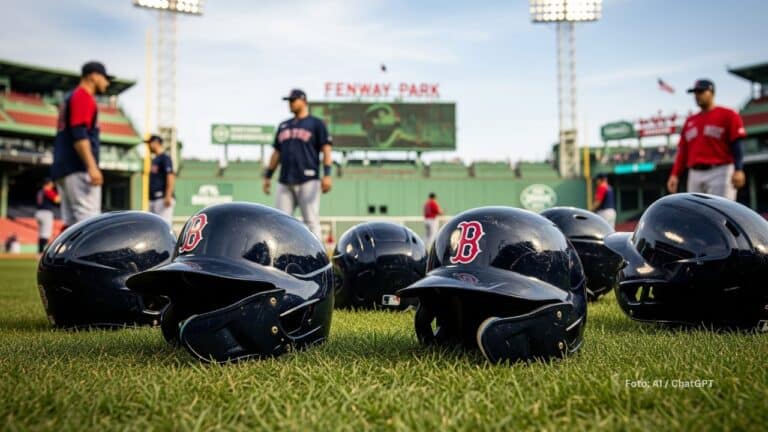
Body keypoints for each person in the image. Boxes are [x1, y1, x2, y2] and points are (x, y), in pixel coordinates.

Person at [263, 89, 332, 239]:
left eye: (293, 100)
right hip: (284, 180)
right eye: (289, 100)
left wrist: (327, 175)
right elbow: (277, 153)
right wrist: (268, 176)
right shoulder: (283, 125)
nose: (290, 103)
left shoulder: (316, 124)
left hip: (308, 179)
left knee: (311, 221)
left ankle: (317, 257)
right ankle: (279, 257)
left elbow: (326, 149)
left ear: (304, 101)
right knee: (280, 222)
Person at [51, 61, 112, 229]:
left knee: (71, 225)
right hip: (78, 168)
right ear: (93, 76)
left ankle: (66, 256)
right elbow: (79, 134)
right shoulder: (83, 96)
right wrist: (92, 166)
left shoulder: (70, 97)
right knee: (89, 224)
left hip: (64, 168)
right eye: (104, 78)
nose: (107, 83)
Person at [667, 79, 747, 200]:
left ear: (712, 92)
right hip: (694, 173)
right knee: (696, 215)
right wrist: (674, 174)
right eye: (695, 92)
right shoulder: (690, 121)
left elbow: (736, 143)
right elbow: (682, 152)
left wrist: (739, 169)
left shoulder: (728, 115)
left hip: (720, 170)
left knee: (721, 212)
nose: (697, 95)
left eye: (700, 91)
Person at [146, 134, 175, 226]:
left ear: (156, 143)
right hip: (154, 199)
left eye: (149, 143)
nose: (148, 146)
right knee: (154, 227)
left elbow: (170, 175)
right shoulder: (155, 159)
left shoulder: (164, 158)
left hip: (162, 198)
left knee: (164, 226)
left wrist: (168, 195)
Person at [35, 178, 61, 253]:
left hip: (38, 212)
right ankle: (42, 252)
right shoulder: (47, 190)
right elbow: (57, 199)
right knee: (45, 234)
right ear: (48, 183)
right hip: (46, 213)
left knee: (41, 233)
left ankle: (39, 251)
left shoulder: (40, 191)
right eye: (51, 183)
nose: (52, 185)